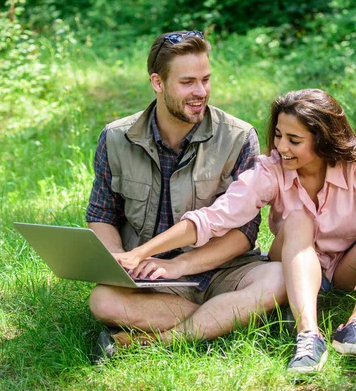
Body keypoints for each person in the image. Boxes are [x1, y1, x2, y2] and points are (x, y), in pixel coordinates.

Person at [119, 88, 356, 374]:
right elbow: (214, 218)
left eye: (294, 140)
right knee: (299, 218)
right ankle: (309, 336)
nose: (281, 147)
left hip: (342, 267)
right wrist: (142, 252)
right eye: (279, 136)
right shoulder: (270, 171)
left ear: (323, 139)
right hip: (291, 261)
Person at [86, 30, 287, 363]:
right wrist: (118, 260)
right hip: (154, 278)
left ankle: (155, 340)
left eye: (206, 80)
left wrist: (181, 265)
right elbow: (103, 215)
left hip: (226, 270)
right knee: (103, 301)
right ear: (158, 82)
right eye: (188, 82)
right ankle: (230, 317)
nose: (200, 92)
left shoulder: (239, 136)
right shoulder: (116, 138)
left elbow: (243, 234)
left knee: (279, 276)